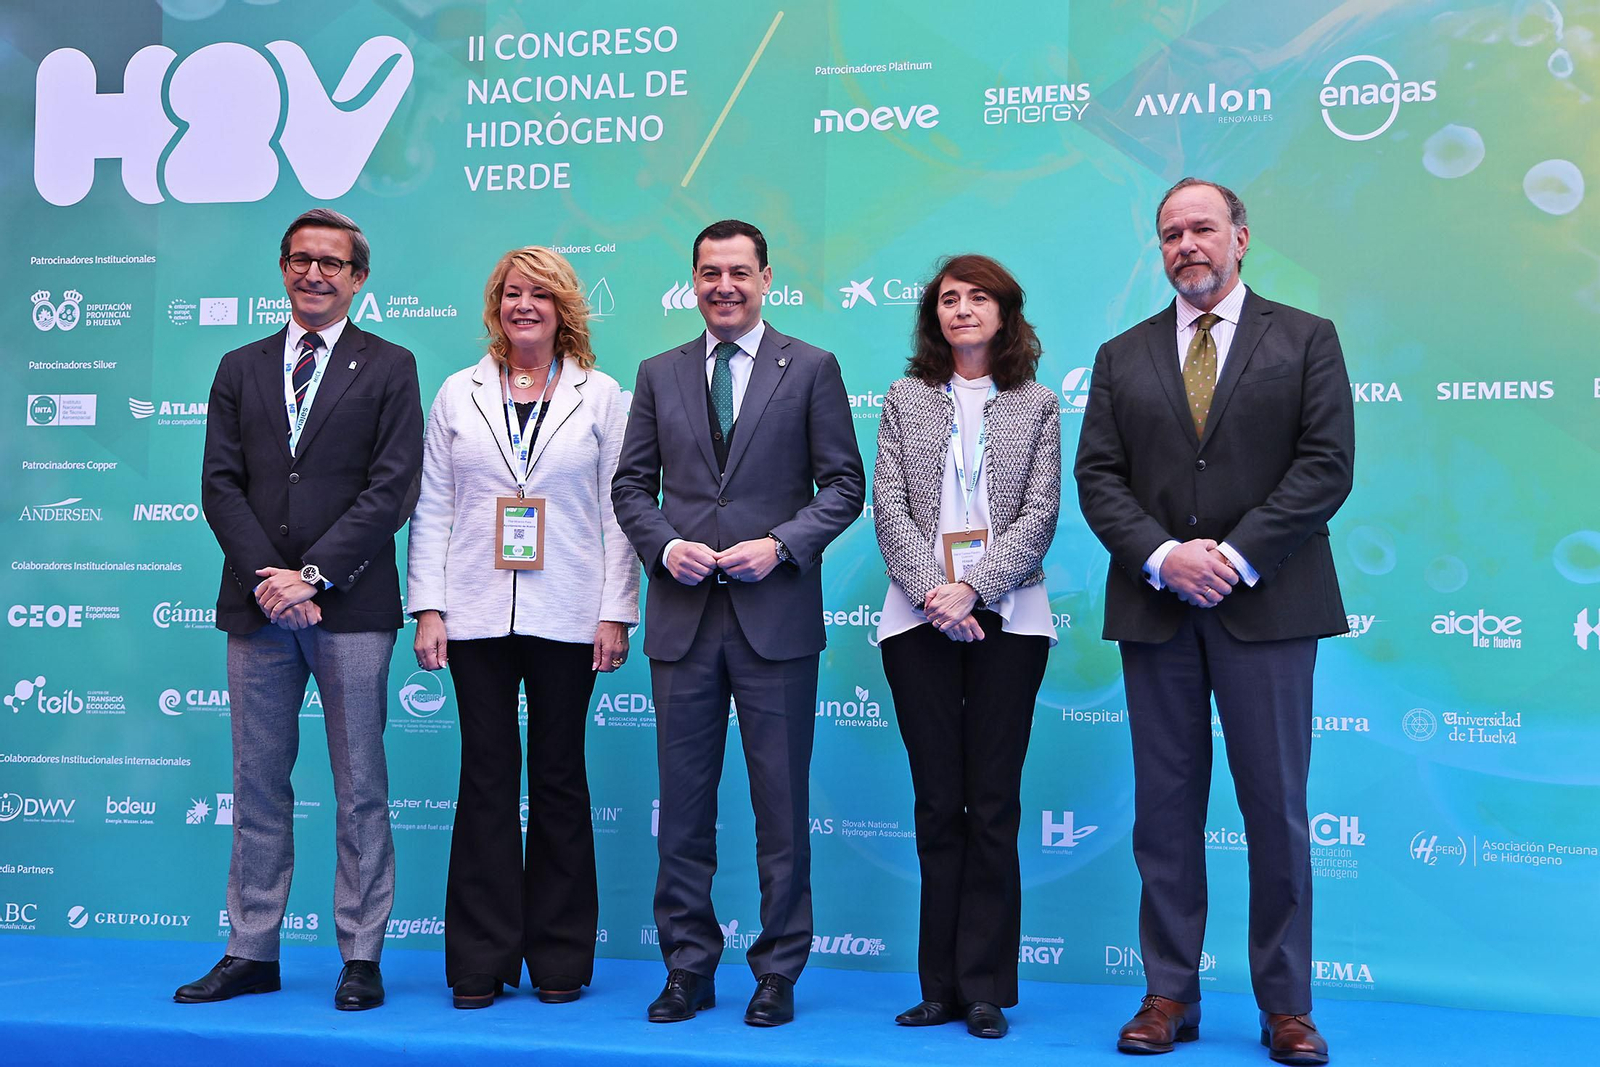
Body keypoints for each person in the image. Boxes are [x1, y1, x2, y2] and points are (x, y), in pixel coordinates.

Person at [1074, 177, 1354, 1066]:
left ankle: (1286, 1006)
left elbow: (1326, 465)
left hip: (1269, 606)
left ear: (1241, 237)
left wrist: (1230, 557)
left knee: (1276, 809)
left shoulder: (1306, 339)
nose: (1185, 244)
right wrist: (1165, 557)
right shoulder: (1121, 355)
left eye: (1201, 228)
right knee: (1164, 813)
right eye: (1169, 234)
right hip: (1159, 611)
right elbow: (1100, 478)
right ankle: (1168, 993)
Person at [612, 219, 865, 1027]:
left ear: (766, 279)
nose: (724, 285)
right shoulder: (658, 372)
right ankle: (688, 964)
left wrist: (782, 546)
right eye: (709, 273)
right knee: (683, 807)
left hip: (775, 618)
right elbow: (629, 488)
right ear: (693, 280)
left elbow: (844, 485)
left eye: (739, 272)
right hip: (683, 619)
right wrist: (666, 546)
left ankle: (778, 969)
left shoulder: (813, 368)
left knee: (780, 807)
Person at [180, 208, 423, 1011]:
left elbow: (392, 489)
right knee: (256, 783)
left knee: (360, 785)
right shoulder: (239, 365)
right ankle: (251, 948)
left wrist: (312, 575)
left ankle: (360, 954)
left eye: (332, 263)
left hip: (351, 608)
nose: (315, 274)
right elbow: (221, 484)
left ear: (359, 278)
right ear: (282, 269)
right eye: (301, 260)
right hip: (258, 610)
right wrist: (271, 579)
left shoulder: (390, 365)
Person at [406, 246, 639, 1009]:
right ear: (494, 305)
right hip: (472, 612)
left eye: (540, 293)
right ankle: (479, 958)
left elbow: (621, 513)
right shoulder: (456, 392)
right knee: (485, 779)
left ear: (564, 306)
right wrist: (429, 607)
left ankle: (561, 958)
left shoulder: (603, 396)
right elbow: (433, 507)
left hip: (570, 613)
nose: (524, 305)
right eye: (511, 292)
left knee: (561, 779)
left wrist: (615, 610)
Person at [873, 254, 1061, 1040]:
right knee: (934, 805)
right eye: (948, 299)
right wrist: (934, 592)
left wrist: (975, 588)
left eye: (977, 297)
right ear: (934, 318)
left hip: (1010, 620)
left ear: (1005, 312)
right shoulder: (906, 398)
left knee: (992, 805)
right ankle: (939, 985)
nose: (961, 309)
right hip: (917, 621)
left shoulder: (1038, 403)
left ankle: (985, 985)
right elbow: (887, 504)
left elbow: (1041, 511)